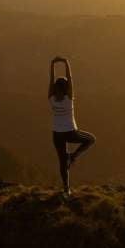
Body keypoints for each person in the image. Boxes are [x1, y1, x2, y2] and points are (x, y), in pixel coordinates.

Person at [48, 56, 95, 195]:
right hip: (70, 132)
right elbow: (70, 78)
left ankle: (66, 189)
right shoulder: (69, 99)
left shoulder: (51, 99)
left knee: (62, 162)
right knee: (91, 139)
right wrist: (66, 62)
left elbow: (51, 81)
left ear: (55, 88)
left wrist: (52, 64)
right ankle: (73, 157)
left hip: (57, 134)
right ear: (66, 88)